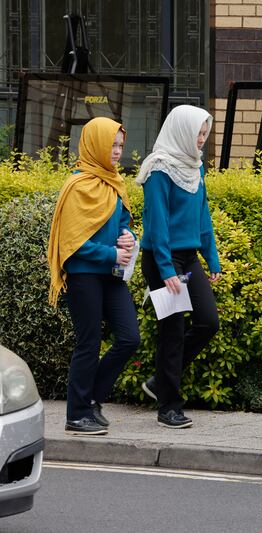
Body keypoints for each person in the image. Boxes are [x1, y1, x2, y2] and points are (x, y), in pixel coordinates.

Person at [48, 117, 140, 436]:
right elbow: (72, 242)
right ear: (95, 145)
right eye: (111, 145)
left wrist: (128, 236)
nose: (116, 152)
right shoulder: (77, 185)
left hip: (112, 276)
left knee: (130, 338)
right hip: (85, 274)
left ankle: (93, 401)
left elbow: (123, 222)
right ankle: (76, 414)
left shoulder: (114, 181)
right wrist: (111, 253)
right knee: (88, 343)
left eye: (120, 146)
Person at [137, 105, 221, 429]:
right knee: (171, 332)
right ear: (182, 131)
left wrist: (211, 258)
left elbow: (203, 216)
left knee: (208, 322)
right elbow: (157, 225)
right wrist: (166, 269)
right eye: (198, 133)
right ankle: (168, 406)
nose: (201, 140)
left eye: (204, 134)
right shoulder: (158, 169)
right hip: (163, 259)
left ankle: (161, 380)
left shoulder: (195, 167)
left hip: (188, 257)